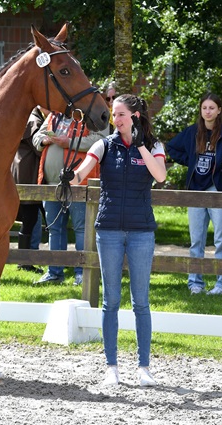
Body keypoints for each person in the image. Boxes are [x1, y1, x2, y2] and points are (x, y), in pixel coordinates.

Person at [65, 93, 167, 386]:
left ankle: (143, 367)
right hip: (108, 229)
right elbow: (82, 173)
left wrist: (140, 147)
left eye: (120, 114)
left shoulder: (154, 145)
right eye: (114, 114)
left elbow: (160, 176)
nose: (115, 119)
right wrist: (69, 177)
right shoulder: (104, 145)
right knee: (111, 300)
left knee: (141, 302)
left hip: (141, 231)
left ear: (134, 116)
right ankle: (111, 367)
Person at [33, 109, 109, 285]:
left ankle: (81, 274)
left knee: (81, 229)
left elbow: (100, 140)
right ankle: (55, 273)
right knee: (54, 229)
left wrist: (70, 142)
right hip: (51, 184)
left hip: (79, 185)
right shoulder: (54, 116)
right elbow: (37, 137)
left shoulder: (91, 115)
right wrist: (45, 140)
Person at [165, 92, 222, 295]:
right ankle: (195, 283)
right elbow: (172, 148)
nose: (207, 111)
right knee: (196, 240)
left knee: (221, 240)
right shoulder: (193, 132)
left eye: (212, 108)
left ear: (219, 110)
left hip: (218, 190)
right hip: (195, 190)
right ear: (201, 111)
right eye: (204, 108)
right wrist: (190, 160)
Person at [11, 105, 47, 274]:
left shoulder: (34, 117)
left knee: (32, 219)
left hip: (28, 172)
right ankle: (23, 262)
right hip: (27, 174)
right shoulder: (33, 120)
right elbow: (38, 147)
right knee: (29, 219)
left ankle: (26, 260)